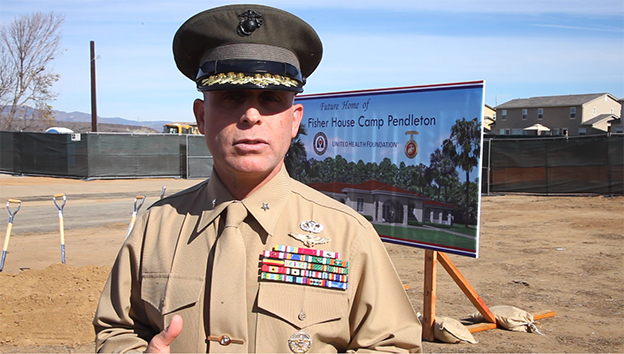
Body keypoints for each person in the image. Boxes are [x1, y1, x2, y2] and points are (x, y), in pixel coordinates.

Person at [93, 4, 422, 353]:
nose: (251, 115)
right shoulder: (155, 228)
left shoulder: (348, 234)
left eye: (270, 99)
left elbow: (393, 344)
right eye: (231, 97)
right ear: (201, 116)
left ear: (295, 120)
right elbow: (116, 330)